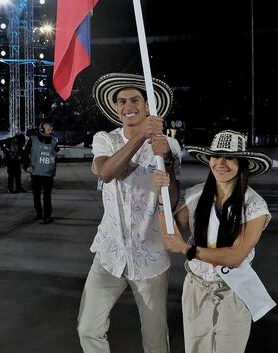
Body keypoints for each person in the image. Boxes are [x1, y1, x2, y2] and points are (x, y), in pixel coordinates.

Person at [77, 73, 182, 353]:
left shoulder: (167, 146)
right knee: (88, 328)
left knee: (155, 339)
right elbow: (107, 172)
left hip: (150, 255)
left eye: (135, 99)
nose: (128, 105)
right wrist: (140, 137)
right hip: (110, 254)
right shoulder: (105, 139)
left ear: (148, 106)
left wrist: (168, 161)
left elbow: (171, 202)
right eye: (121, 101)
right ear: (115, 108)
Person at [152, 129, 276, 353]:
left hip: (233, 291)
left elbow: (236, 255)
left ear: (242, 164)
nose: (221, 163)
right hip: (196, 290)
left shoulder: (255, 205)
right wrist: (161, 200)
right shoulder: (195, 196)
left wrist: (189, 250)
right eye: (216, 156)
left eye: (229, 158)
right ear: (209, 160)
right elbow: (170, 236)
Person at [22, 119, 59, 224]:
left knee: (47, 196)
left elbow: (54, 156)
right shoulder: (33, 139)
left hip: (48, 173)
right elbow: (25, 154)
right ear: (42, 127)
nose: (50, 128)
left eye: (51, 126)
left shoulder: (53, 141)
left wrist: (54, 167)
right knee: (36, 195)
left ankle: (47, 216)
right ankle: (39, 213)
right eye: (48, 125)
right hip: (36, 172)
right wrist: (26, 166)